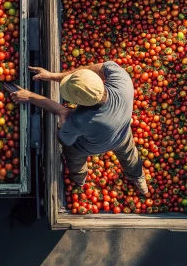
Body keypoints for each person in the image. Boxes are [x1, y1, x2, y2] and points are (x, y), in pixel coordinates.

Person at [10, 61, 148, 195]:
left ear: (77, 102)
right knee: (130, 156)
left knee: (73, 155)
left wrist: (31, 97)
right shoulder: (122, 79)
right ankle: (138, 177)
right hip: (123, 135)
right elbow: (99, 68)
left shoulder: (80, 120)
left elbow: (65, 139)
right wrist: (51, 75)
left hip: (91, 147)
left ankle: (80, 179)